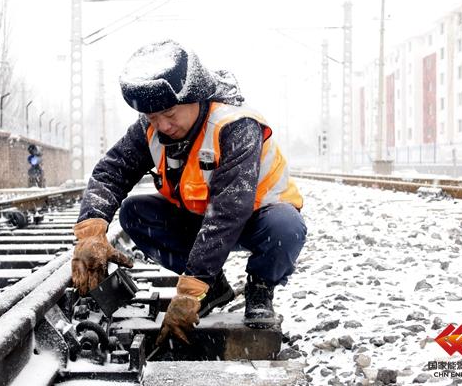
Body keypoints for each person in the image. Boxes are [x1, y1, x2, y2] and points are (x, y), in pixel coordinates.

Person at [71, 40, 307, 346]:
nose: (162, 125)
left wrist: (190, 290)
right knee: (134, 212)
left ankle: (260, 287)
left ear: (194, 95)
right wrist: (91, 231)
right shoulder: (151, 127)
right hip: (200, 221)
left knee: (287, 226)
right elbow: (111, 172)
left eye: (169, 113)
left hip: (257, 220)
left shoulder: (235, 126)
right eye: (152, 117)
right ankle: (215, 288)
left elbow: (228, 212)